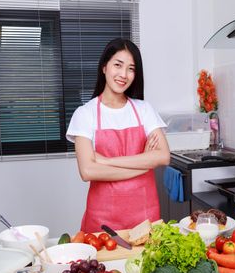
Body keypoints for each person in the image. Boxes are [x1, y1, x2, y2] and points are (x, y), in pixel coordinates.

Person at [66, 38, 170, 233]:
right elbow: (88, 171)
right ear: (104, 67)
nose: (124, 74)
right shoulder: (85, 113)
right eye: (118, 65)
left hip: (145, 218)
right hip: (102, 222)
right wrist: (143, 166)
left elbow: (163, 156)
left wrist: (105, 161)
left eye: (131, 69)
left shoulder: (144, 109)